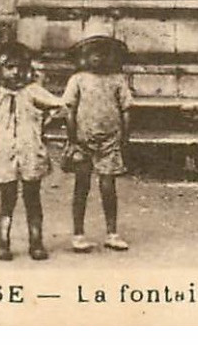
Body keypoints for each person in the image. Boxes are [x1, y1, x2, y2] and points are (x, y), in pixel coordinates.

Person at [0, 42, 63, 261]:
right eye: (9, 67)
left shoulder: (33, 92)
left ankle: (36, 243)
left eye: (19, 67)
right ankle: (2, 243)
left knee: (32, 197)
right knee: (7, 199)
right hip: (4, 154)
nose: (15, 72)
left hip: (30, 153)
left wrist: (42, 124)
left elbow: (60, 106)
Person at [62, 35, 134, 253]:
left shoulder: (117, 80)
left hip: (110, 140)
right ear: (83, 57)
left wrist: (124, 137)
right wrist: (73, 138)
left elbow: (126, 110)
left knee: (108, 186)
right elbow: (69, 110)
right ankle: (78, 234)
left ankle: (112, 233)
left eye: (102, 54)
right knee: (81, 186)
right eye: (92, 54)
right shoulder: (78, 80)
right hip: (83, 140)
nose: (97, 58)